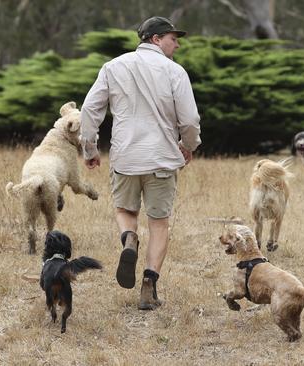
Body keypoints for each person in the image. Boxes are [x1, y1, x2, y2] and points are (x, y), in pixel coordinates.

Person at [80, 16, 201, 310]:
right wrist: (188, 145)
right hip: (162, 157)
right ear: (156, 39)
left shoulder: (113, 67)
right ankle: (149, 286)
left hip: (125, 157)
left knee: (124, 210)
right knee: (159, 223)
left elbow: (89, 110)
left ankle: (129, 238)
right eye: (173, 38)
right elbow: (190, 120)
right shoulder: (175, 72)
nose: (178, 44)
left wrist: (90, 148)